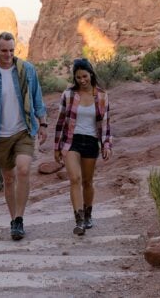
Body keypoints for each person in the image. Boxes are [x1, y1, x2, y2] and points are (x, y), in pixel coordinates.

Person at [0, 31, 48, 241]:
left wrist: (43, 123)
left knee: (23, 169)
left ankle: (19, 219)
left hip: (23, 129)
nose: (8, 54)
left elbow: (37, 99)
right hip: (1, 134)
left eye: (11, 50)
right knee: (8, 178)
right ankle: (12, 218)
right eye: (3, 50)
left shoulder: (27, 70)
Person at [54, 58, 112, 235]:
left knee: (87, 181)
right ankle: (79, 220)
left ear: (91, 74)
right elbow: (61, 121)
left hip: (91, 141)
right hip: (72, 141)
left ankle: (88, 215)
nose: (82, 80)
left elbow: (106, 123)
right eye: (78, 77)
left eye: (85, 76)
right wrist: (57, 147)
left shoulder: (102, 95)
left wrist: (106, 145)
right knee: (75, 179)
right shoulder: (69, 94)